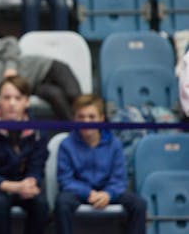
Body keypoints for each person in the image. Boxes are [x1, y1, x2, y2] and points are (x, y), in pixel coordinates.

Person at [54, 94, 147, 234]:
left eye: (91, 117)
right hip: (79, 193)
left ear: (101, 119)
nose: (86, 121)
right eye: (81, 117)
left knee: (139, 204)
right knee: (62, 203)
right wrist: (88, 193)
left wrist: (108, 194)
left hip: (108, 192)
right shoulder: (66, 145)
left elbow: (119, 179)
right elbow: (65, 180)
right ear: (74, 119)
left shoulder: (114, 144)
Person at [0, 75, 49, 234]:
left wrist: (31, 182)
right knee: (0, 201)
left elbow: (37, 166)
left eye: (18, 98)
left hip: (22, 185)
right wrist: (13, 187)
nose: (12, 103)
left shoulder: (38, 131)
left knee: (40, 203)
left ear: (26, 101)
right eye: (7, 98)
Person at [0, 35, 81, 120]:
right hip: (36, 87)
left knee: (74, 96)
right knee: (57, 98)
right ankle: (79, 133)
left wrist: (10, 66)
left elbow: (11, 42)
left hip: (48, 68)